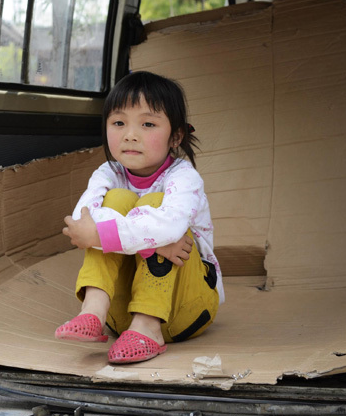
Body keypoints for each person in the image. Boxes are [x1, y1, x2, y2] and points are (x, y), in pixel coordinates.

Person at [55, 71, 223, 364]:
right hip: (121, 321)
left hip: (187, 310)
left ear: (176, 136)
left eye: (147, 124)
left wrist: (104, 234)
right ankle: (93, 311)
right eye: (119, 123)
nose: (130, 134)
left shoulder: (184, 178)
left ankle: (149, 327)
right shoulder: (108, 174)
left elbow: (169, 226)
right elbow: (84, 221)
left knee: (153, 205)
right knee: (116, 201)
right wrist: (153, 245)